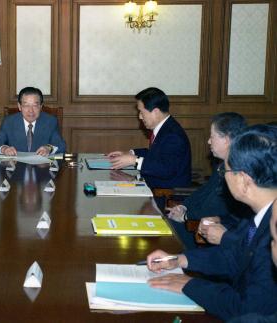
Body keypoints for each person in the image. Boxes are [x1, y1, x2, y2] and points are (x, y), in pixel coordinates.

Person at [145, 125, 277, 321]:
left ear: (244, 181)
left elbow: (246, 309)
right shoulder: (261, 216)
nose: (223, 175)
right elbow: (235, 257)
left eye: (227, 170)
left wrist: (189, 284)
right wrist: (180, 259)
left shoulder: (273, 229)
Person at [166, 112, 251, 248]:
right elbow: (204, 190)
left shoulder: (239, 172)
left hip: (210, 233)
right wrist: (184, 206)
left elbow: (218, 208)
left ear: (227, 139)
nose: (209, 141)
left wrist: (186, 216)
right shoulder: (222, 164)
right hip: (198, 221)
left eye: (212, 137)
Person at [108, 87, 191, 189]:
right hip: (154, 184)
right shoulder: (166, 127)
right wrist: (131, 153)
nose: (140, 117)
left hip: (165, 195)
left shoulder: (173, 135)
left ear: (155, 112)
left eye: (142, 112)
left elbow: (166, 169)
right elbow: (156, 155)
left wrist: (135, 160)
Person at [0, 87, 66, 156]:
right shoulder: (9, 122)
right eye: (26, 105)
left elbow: (60, 144)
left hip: (41, 169)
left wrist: (49, 148)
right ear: (19, 106)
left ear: (41, 106)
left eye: (35, 105)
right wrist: (4, 149)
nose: (31, 110)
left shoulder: (50, 121)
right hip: (17, 169)